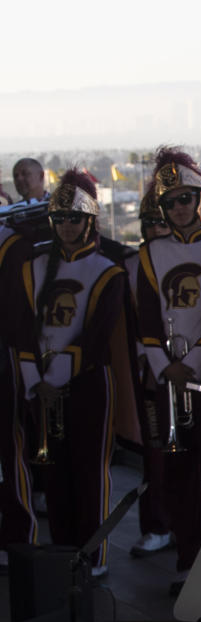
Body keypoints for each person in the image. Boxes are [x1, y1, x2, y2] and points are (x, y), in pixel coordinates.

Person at [15, 168, 125, 577]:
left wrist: (52, 379)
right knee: (54, 474)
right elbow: (21, 327)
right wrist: (35, 381)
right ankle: (63, 553)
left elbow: (96, 337)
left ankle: (93, 556)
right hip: (41, 385)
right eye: (58, 218)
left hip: (87, 381)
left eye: (74, 218)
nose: (65, 225)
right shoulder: (33, 267)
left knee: (89, 471)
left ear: (90, 221)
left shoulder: (108, 270)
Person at [138, 148, 201, 594]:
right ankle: (190, 560)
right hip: (168, 380)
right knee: (177, 474)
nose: (178, 208)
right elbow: (146, 319)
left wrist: (192, 366)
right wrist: (167, 368)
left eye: (186, 198)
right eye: (170, 201)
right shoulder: (149, 253)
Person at [125, 190, 173, 558]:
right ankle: (156, 524)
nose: (155, 228)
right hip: (150, 374)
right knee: (154, 454)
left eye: (161, 220)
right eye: (149, 223)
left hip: (195, 370)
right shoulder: (128, 264)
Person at [0, 205, 39, 569]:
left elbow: (18, 312)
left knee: (10, 445)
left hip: (4, 352)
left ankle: (19, 535)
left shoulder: (12, 245)